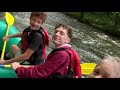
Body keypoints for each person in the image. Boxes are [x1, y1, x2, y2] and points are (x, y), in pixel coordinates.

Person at [11, 23, 82, 78]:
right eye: (56, 31)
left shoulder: (62, 55)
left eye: (61, 33)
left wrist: (18, 70)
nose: (57, 34)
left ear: (68, 40)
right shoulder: (66, 51)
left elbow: (40, 73)